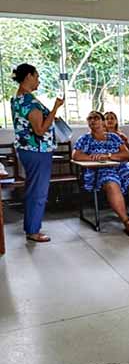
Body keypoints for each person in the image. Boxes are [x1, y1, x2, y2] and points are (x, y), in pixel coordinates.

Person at [73, 111, 129, 237]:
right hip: (100, 170)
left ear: (103, 122)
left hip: (120, 167)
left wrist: (108, 156)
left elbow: (126, 154)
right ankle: (126, 222)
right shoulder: (85, 139)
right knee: (112, 184)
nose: (93, 121)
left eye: (96, 118)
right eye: (90, 118)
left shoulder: (114, 137)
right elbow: (76, 155)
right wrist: (96, 158)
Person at [10, 63, 63, 243]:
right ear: (28, 76)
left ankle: (31, 227)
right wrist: (55, 108)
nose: (38, 80)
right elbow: (40, 130)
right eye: (37, 76)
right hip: (37, 151)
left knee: (34, 188)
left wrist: (49, 116)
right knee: (38, 191)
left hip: (28, 150)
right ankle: (33, 231)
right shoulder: (29, 101)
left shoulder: (18, 98)